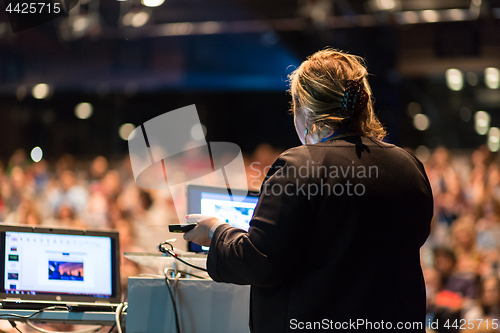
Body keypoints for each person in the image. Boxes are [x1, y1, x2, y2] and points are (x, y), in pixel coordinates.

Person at [184, 48, 434, 332]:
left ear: (306, 111)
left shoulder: (300, 165)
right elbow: (414, 238)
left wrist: (217, 232)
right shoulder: (408, 165)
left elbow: (261, 261)